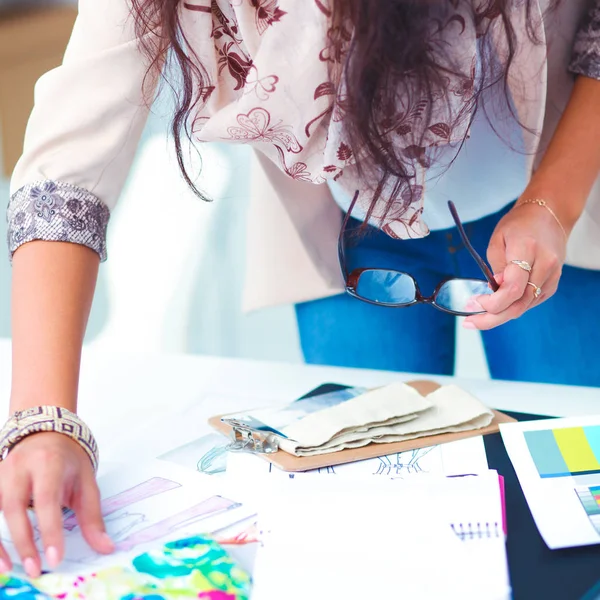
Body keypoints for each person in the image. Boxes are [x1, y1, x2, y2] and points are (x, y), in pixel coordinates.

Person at [0, 0, 599, 577]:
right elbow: (68, 172)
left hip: (550, 190)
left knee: (574, 472)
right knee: (367, 498)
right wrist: (44, 422)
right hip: (346, 230)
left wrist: (556, 202)